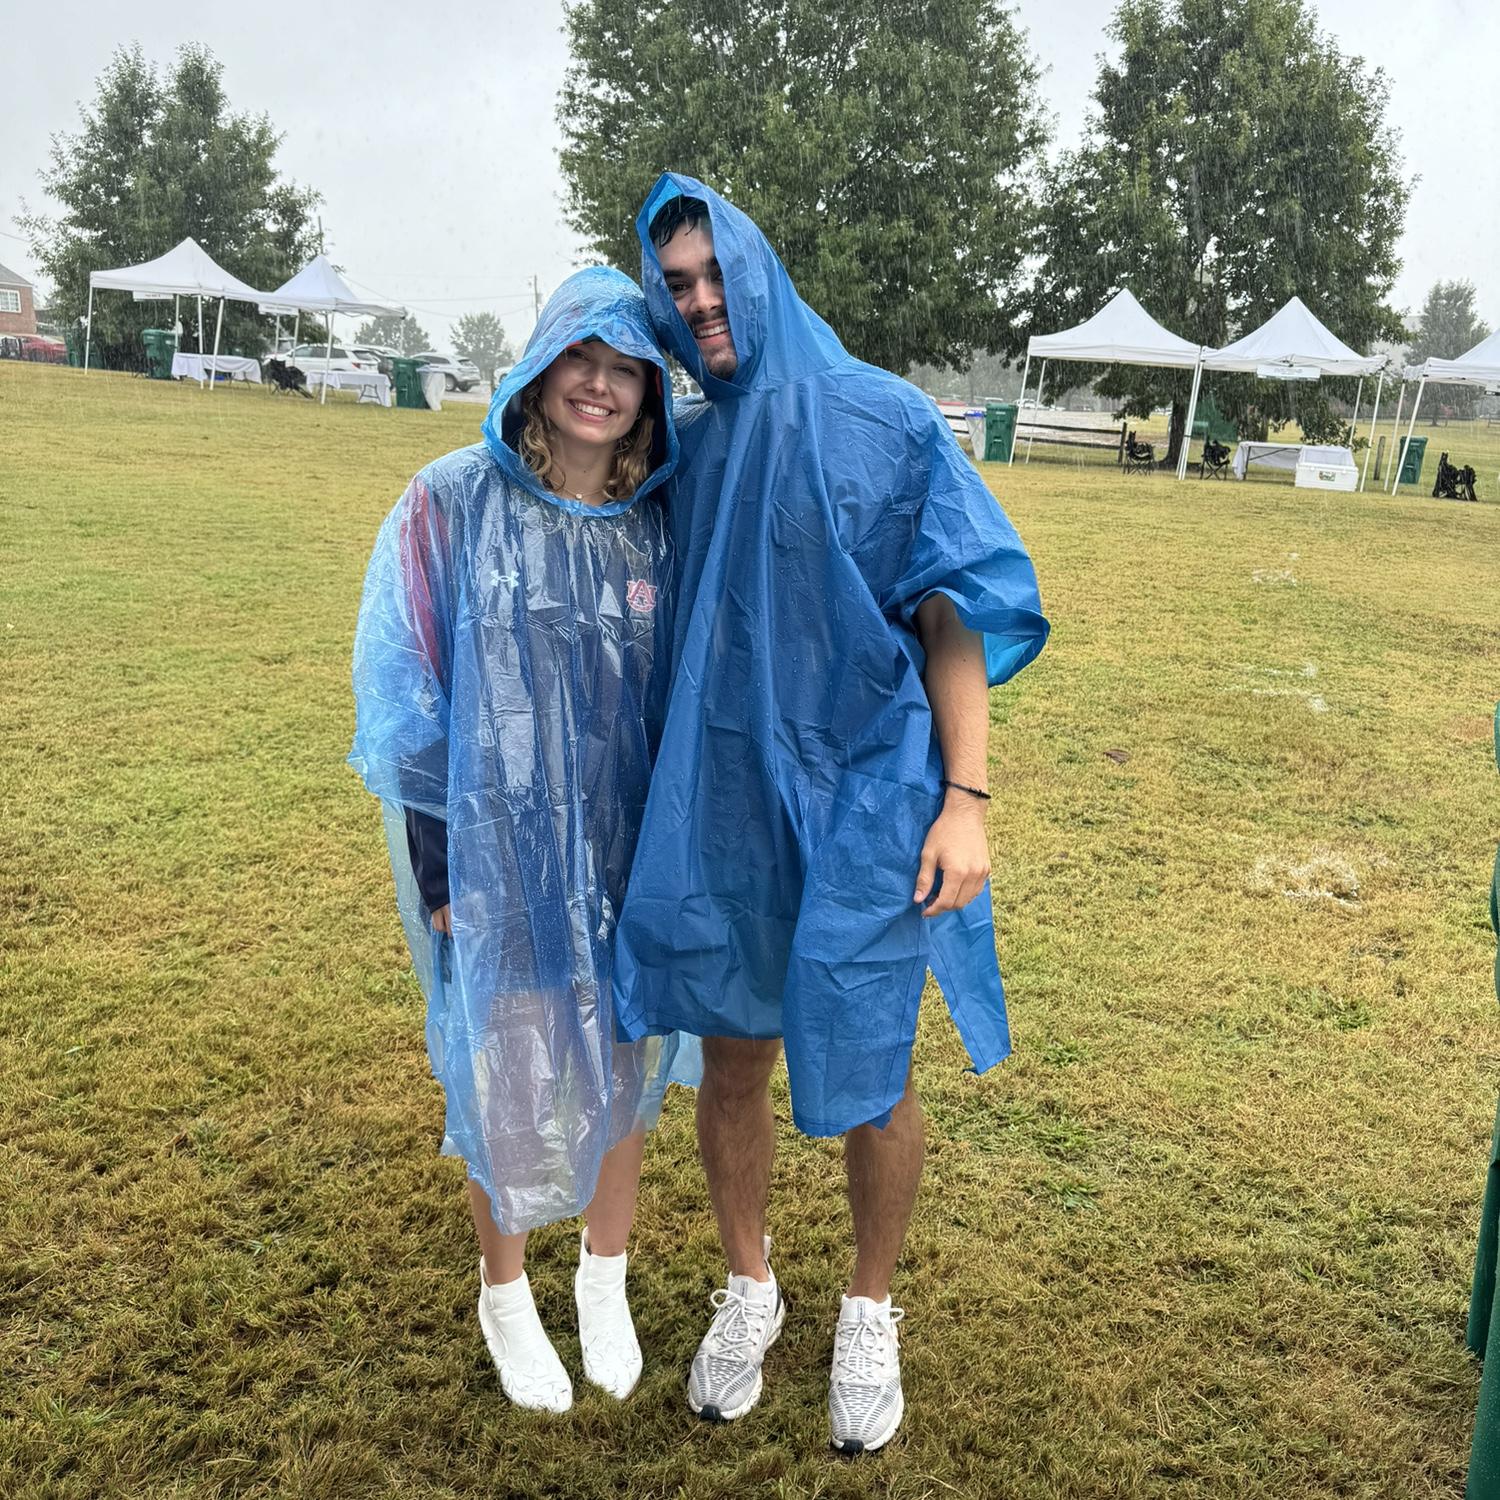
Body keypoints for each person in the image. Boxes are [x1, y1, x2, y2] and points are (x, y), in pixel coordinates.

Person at [612, 177, 1050, 1454]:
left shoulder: (889, 419)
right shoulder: (685, 447)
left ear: (755, 267)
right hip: (729, 804)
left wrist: (966, 799)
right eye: (674, 284)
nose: (696, 302)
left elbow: (951, 611)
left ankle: (869, 1304)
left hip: (868, 800)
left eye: (710, 274)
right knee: (733, 1059)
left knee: (869, 1069)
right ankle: (750, 1283)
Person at [349, 267, 693, 1414]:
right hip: (496, 849)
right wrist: (446, 874)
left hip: (628, 840)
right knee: (513, 1052)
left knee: (625, 1056)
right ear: (541, 365)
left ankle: (605, 1277)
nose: (599, 385)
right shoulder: (450, 502)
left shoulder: (661, 521)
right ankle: (506, 1295)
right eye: (579, 359)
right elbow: (410, 699)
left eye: (626, 366)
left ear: (650, 389)